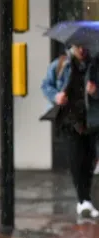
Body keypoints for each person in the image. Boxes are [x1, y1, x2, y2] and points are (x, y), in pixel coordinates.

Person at [40, 44, 99, 218]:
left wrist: (95, 91)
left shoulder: (95, 65)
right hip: (68, 120)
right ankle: (83, 200)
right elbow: (46, 85)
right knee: (76, 159)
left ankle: (85, 198)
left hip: (91, 120)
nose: (82, 49)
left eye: (84, 46)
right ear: (72, 46)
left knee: (89, 161)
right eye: (78, 46)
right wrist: (56, 96)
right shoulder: (61, 64)